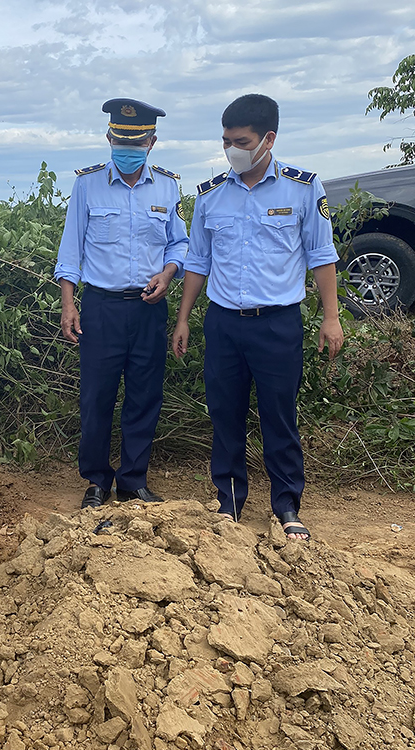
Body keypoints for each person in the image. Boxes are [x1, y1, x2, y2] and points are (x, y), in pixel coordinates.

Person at [171, 93, 344, 541]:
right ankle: (228, 504)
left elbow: (321, 256)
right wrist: (184, 318)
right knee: (224, 415)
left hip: (277, 324)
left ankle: (286, 507)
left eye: (241, 141)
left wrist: (331, 317)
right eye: (226, 140)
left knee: (278, 417)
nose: (232, 149)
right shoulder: (211, 195)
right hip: (225, 323)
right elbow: (198, 261)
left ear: (268, 139)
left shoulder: (303, 188)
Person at [55, 97, 189, 509]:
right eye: (119, 140)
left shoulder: (167, 186)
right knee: (96, 397)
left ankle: (133, 481)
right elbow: (70, 250)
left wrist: (168, 274)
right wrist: (68, 304)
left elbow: (180, 243)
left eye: (136, 141)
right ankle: (96, 480)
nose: (126, 148)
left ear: (152, 141)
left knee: (144, 396)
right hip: (101, 307)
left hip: (149, 309)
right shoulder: (87, 185)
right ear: (109, 136)